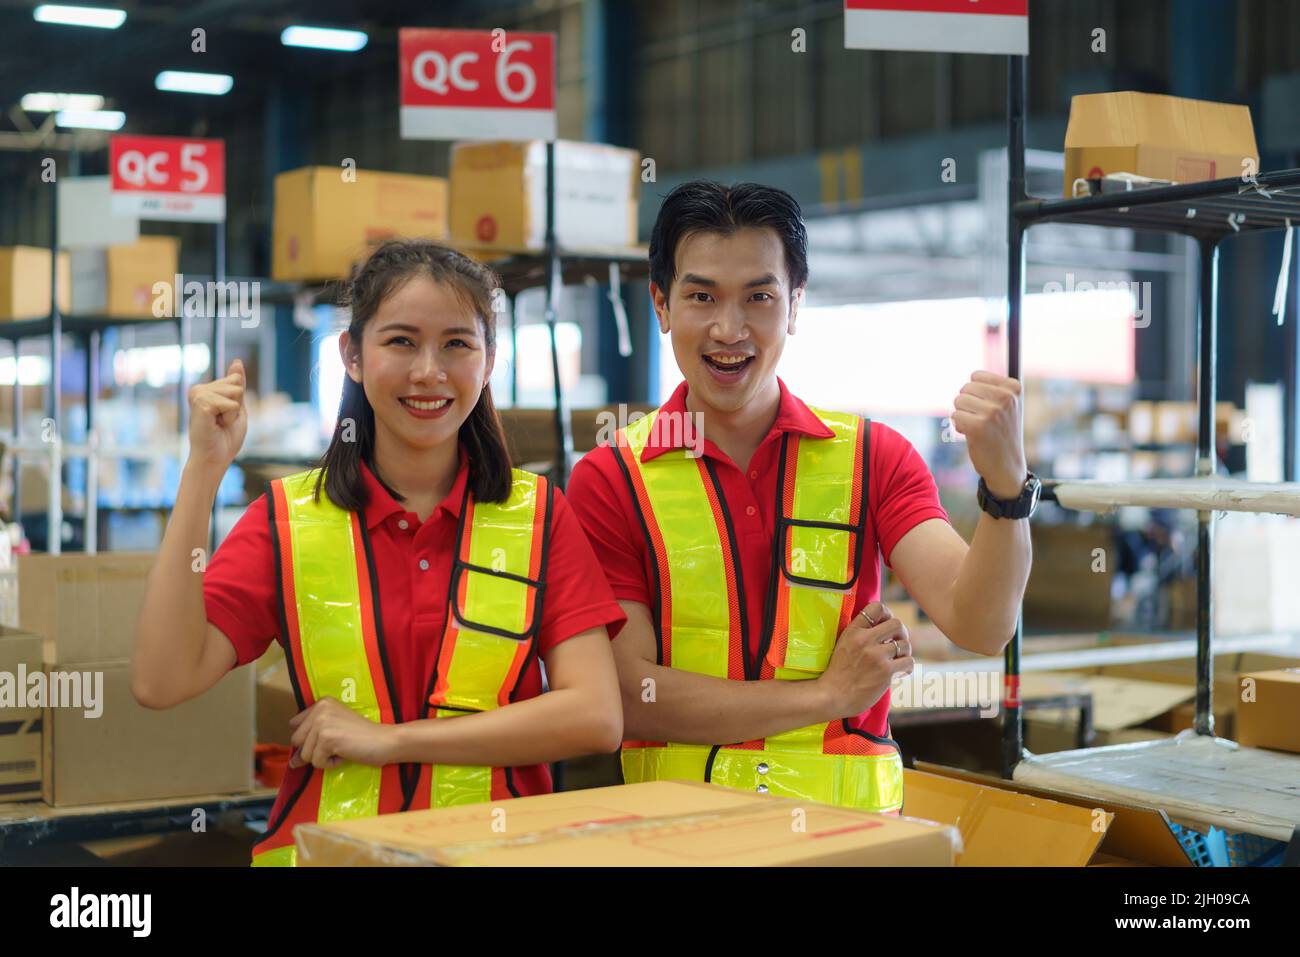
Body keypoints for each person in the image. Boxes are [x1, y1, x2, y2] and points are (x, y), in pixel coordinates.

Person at [132, 239, 625, 865]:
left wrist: (392, 741)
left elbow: (595, 716)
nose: (428, 371)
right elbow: (161, 679)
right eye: (400, 341)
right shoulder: (286, 522)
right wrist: (202, 472)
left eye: (457, 344)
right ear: (352, 355)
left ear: (489, 358)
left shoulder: (542, 516)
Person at [567, 181, 1035, 813]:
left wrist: (1006, 490)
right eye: (701, 296)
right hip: (680, 844)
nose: (728, 329)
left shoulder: (874, 458)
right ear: (661, 305)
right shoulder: (611, 477)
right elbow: (627, 692)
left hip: (851, 845)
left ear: (793, 306)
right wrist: (828, 697)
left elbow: (980, 625)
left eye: (759, 297)